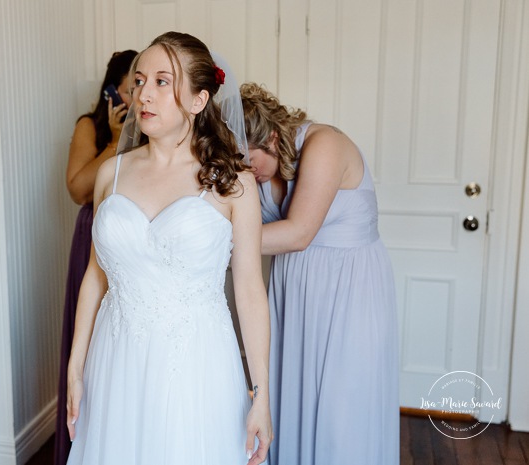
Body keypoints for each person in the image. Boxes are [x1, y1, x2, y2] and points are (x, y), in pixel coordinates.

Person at [65, 32, 272, 465]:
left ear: (198, 100)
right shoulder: (111, 174)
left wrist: (261, 394)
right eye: (140, 81)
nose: (144, 94)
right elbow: (95, 276)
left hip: (194, 365)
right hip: (116, 359)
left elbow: (250, 292)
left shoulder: (234, 184)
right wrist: (76, 366)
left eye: (163, 81)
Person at [240, 82, 399, 465]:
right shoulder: (255, 168)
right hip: (292, 292)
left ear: (273, 137)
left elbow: (298, 233)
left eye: (248, 162)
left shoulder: (324, 143)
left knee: (341, 416)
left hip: (350, 291)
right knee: (292, 397)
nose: (246, 173)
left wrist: (216, 246)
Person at [55, 49, 137, 464]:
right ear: (111, 89)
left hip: (137, 249)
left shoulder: (151, 128)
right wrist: (114, 138)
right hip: (96, 230)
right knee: (87, 332)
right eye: (127, 88)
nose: (134, 97)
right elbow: (77, 188)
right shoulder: (90, 126)